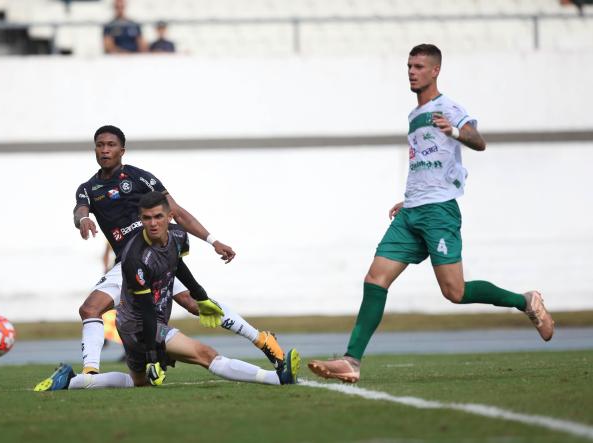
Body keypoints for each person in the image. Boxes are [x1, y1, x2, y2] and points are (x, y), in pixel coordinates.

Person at [308, 44, 554, 384]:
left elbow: (478, 141)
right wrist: (407, 200)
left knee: (454, 292)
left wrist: (453, 130)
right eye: (409, 65)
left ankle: (524, 300)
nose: (411, 71)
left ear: (435, 70)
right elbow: (425, 162)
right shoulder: (413, 116)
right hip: (412, 211)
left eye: (419, 66)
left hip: (440, 211)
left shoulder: (447, 107)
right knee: (375, 279)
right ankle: (352, 361)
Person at [75, 125, 286, 376]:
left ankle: (262, 340)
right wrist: (84, 220)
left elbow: (177, 212)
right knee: (91, 310)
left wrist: (213, 241)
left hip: (156, 255)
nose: (105, 150)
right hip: (129, 263)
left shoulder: (140, 178)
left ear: (122, 150)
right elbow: (79, 211)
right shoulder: (88, 188)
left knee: (195, 303)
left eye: (111, 145)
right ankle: (90, 373)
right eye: (100, 145)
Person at [34, 192, 300, 391]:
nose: (152, 223)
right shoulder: (135, 258)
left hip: (149, 322)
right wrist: (152, 355)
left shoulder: (178, 236)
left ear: (170, 217)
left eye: (158, 216)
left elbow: (178, 266)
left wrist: (202, 297)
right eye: (147, 218)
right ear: (140, 220)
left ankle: (72, 381)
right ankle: (277, 378)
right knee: (204, 354)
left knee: (139, 384)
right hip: (139, 326)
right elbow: (147, 310)